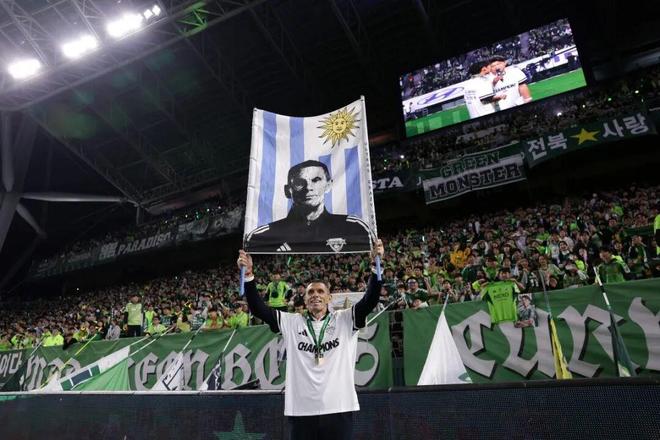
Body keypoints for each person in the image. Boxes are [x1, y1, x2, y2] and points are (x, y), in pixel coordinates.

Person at [237, 239, 384, 440]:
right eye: (310, 292)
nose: (315, 295)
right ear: (305, 300)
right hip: (301, 410)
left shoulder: (345, 319)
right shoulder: (291, 322)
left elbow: (370, 300)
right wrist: (248, 275)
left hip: (339, 408)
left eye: (321, 291)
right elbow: (258, 309)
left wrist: (376, 267)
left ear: (330, 298)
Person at [244, 160, 374, 253]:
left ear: (328, 185)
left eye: (316, 180)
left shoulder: (355, 228)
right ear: (288, 191)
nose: (308, 188)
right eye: (300, 182)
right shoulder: (262, 236)